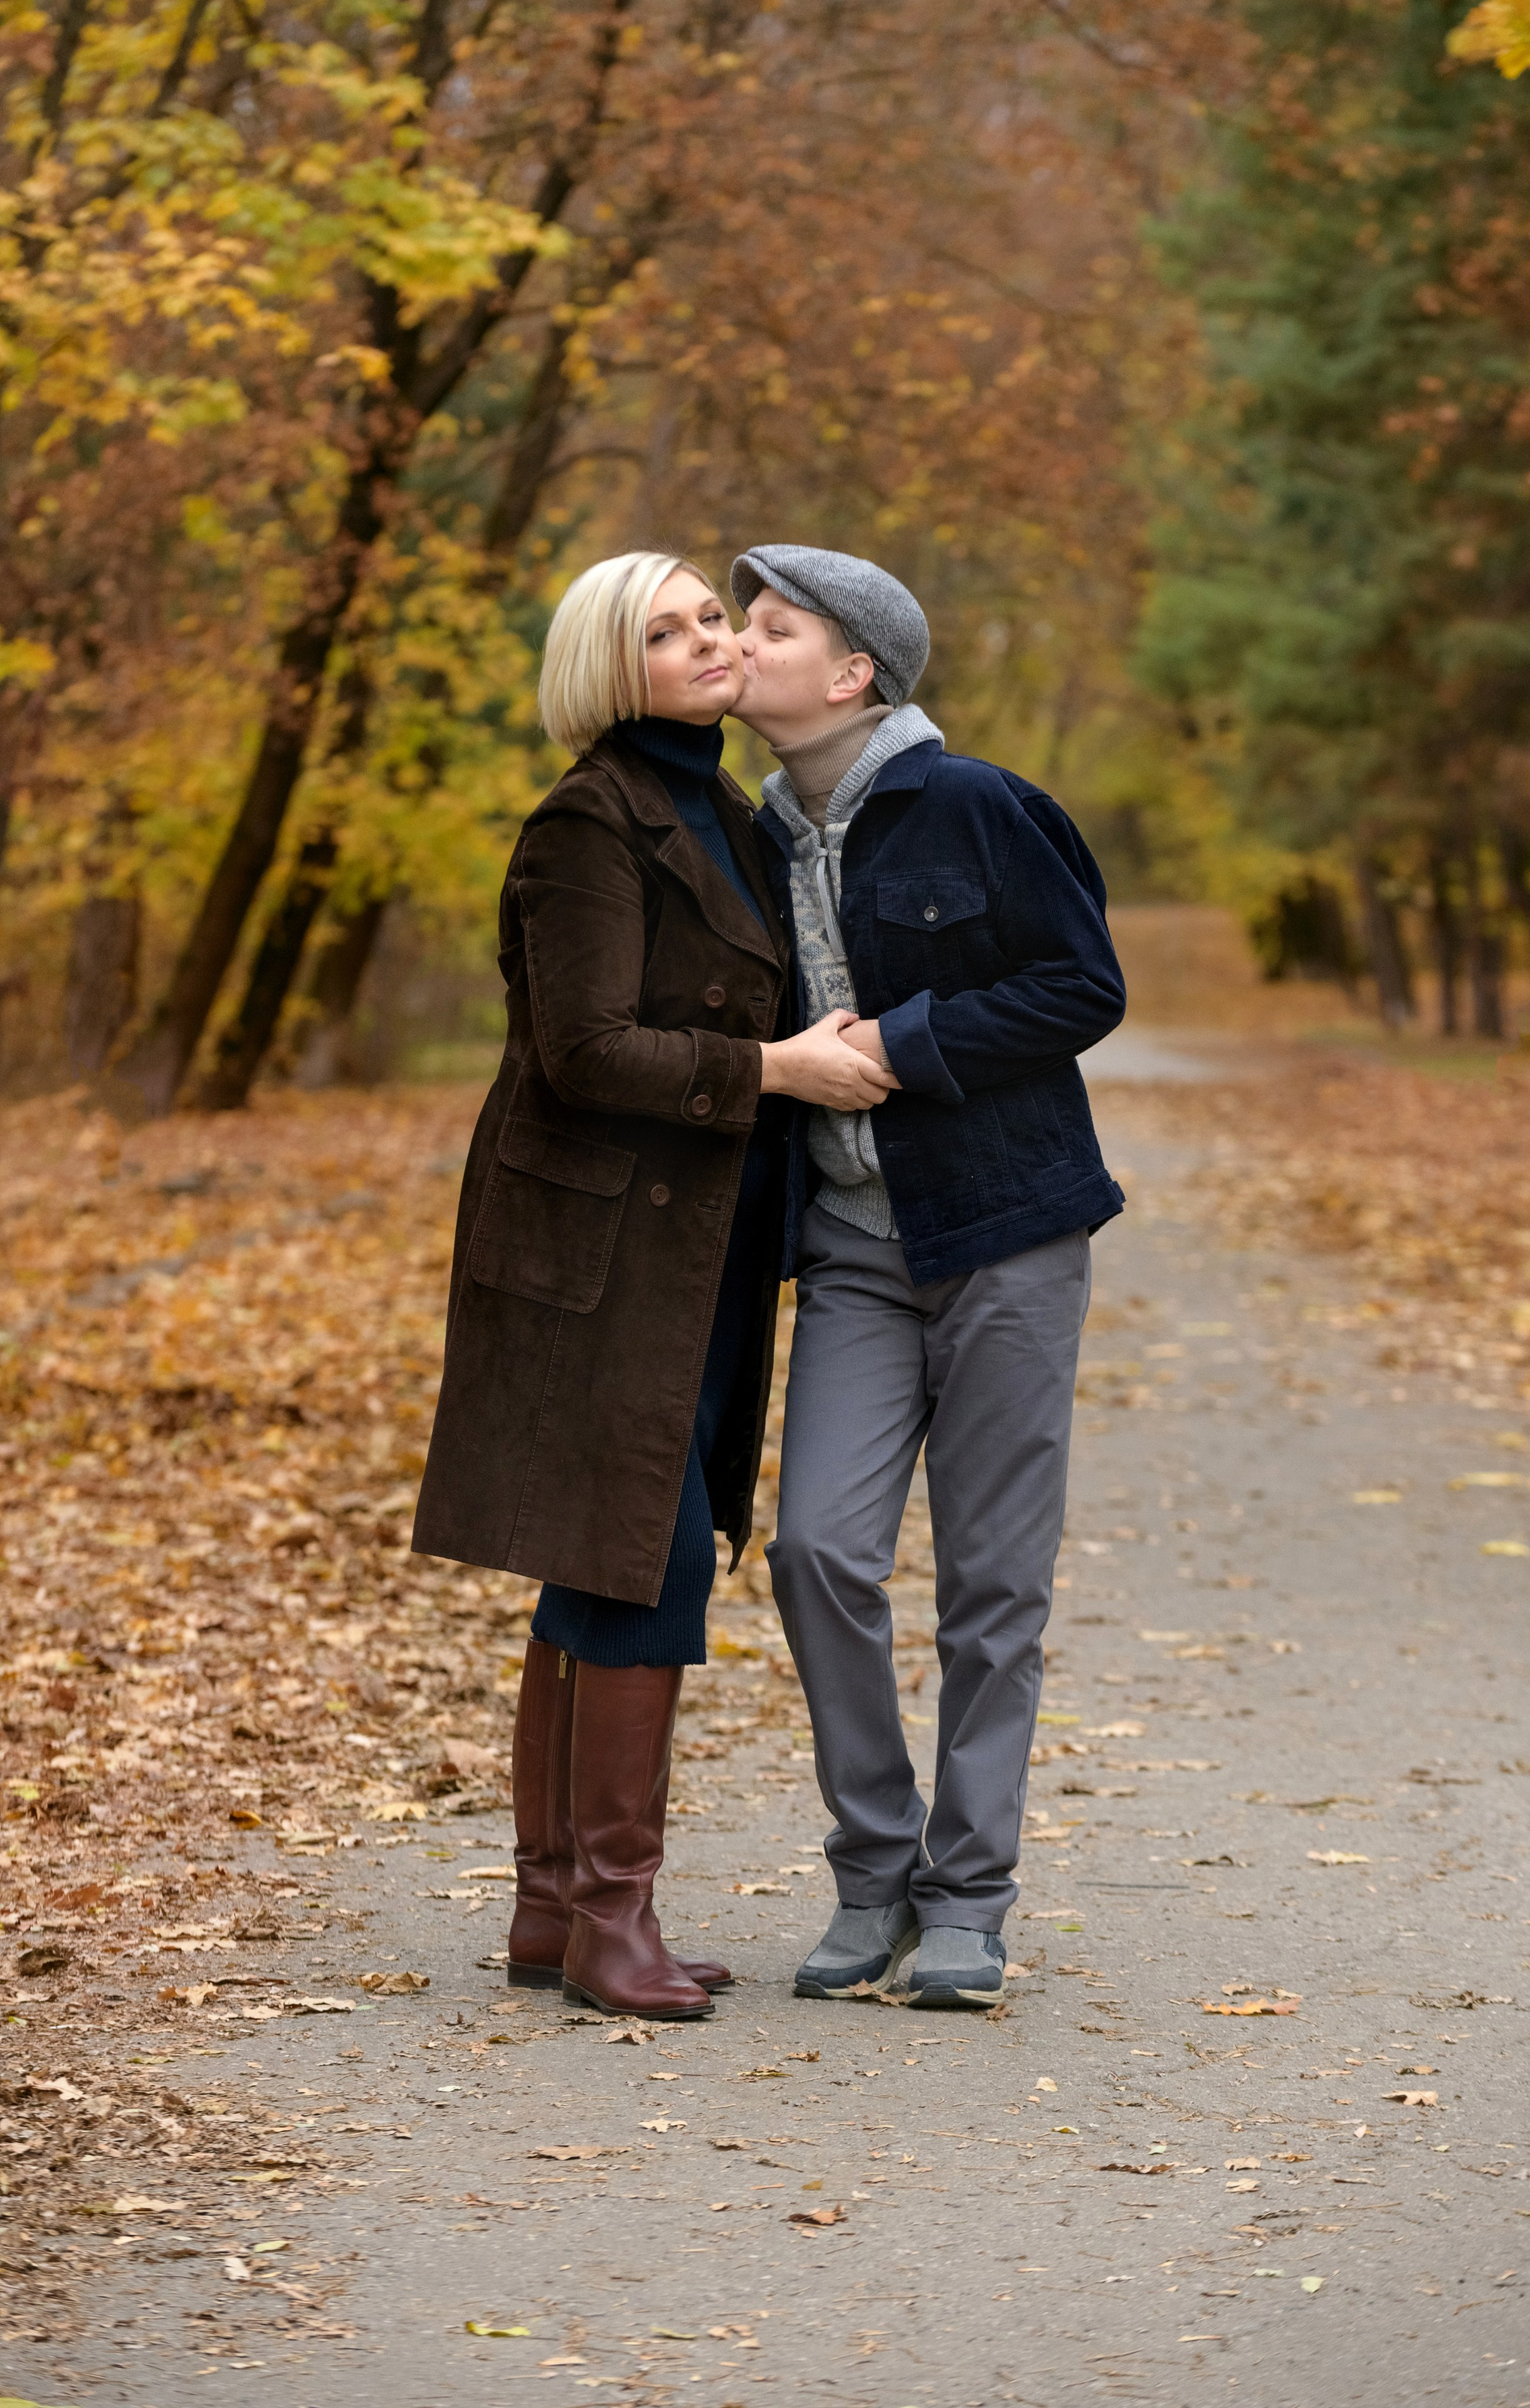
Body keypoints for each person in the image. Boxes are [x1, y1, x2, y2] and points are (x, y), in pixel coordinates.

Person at [411, 550, 892, 2020]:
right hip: (594, 1257)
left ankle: (553, 1907)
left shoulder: (732, 816)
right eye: (664, 630)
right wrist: (774, 1070)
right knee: (643, 1556)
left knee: (607, 1552)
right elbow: (585, 1050)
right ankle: (610, 1916)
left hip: (695, 1246)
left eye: (709, 623)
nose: (703, 645)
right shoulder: (586, 825)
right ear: (607, 669)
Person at [730, 544, 1127, 2009]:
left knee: (988, 1586)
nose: (740, 649)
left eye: (771, 631)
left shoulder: (974, 804)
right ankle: (872, 1868)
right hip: (846, 1252)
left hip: (1005, 1235)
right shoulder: (753, 836)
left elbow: (1084, 986)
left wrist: (900, 1045)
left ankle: (968, 1900)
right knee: (816, 1551)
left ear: (852, 674)